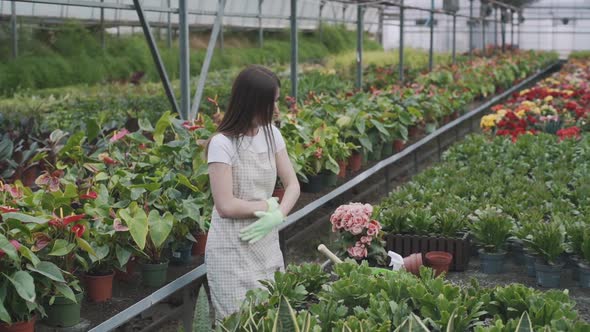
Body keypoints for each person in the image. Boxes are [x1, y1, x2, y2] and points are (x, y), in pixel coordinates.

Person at [205, 65, 300, 320]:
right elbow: (225, 205)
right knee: (236, 320)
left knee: (270, 316)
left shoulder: (272, 135)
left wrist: (279, 214)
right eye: (272, 103)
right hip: (230, 249)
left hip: (265, 242)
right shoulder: (222, 144)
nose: (277, 109)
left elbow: (292, 184)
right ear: (252, 103)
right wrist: (266, 205)